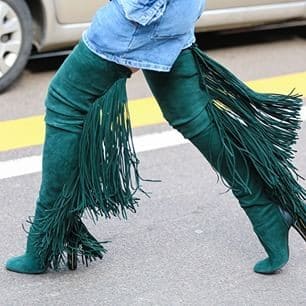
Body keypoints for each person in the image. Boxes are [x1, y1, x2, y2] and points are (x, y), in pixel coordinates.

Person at [5, 0, 306, 275]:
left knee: (65, 101)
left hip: (146, 13)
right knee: (193, 117)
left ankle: (44, 242)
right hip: (173, 11)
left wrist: (138, 14)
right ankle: (267, 214)